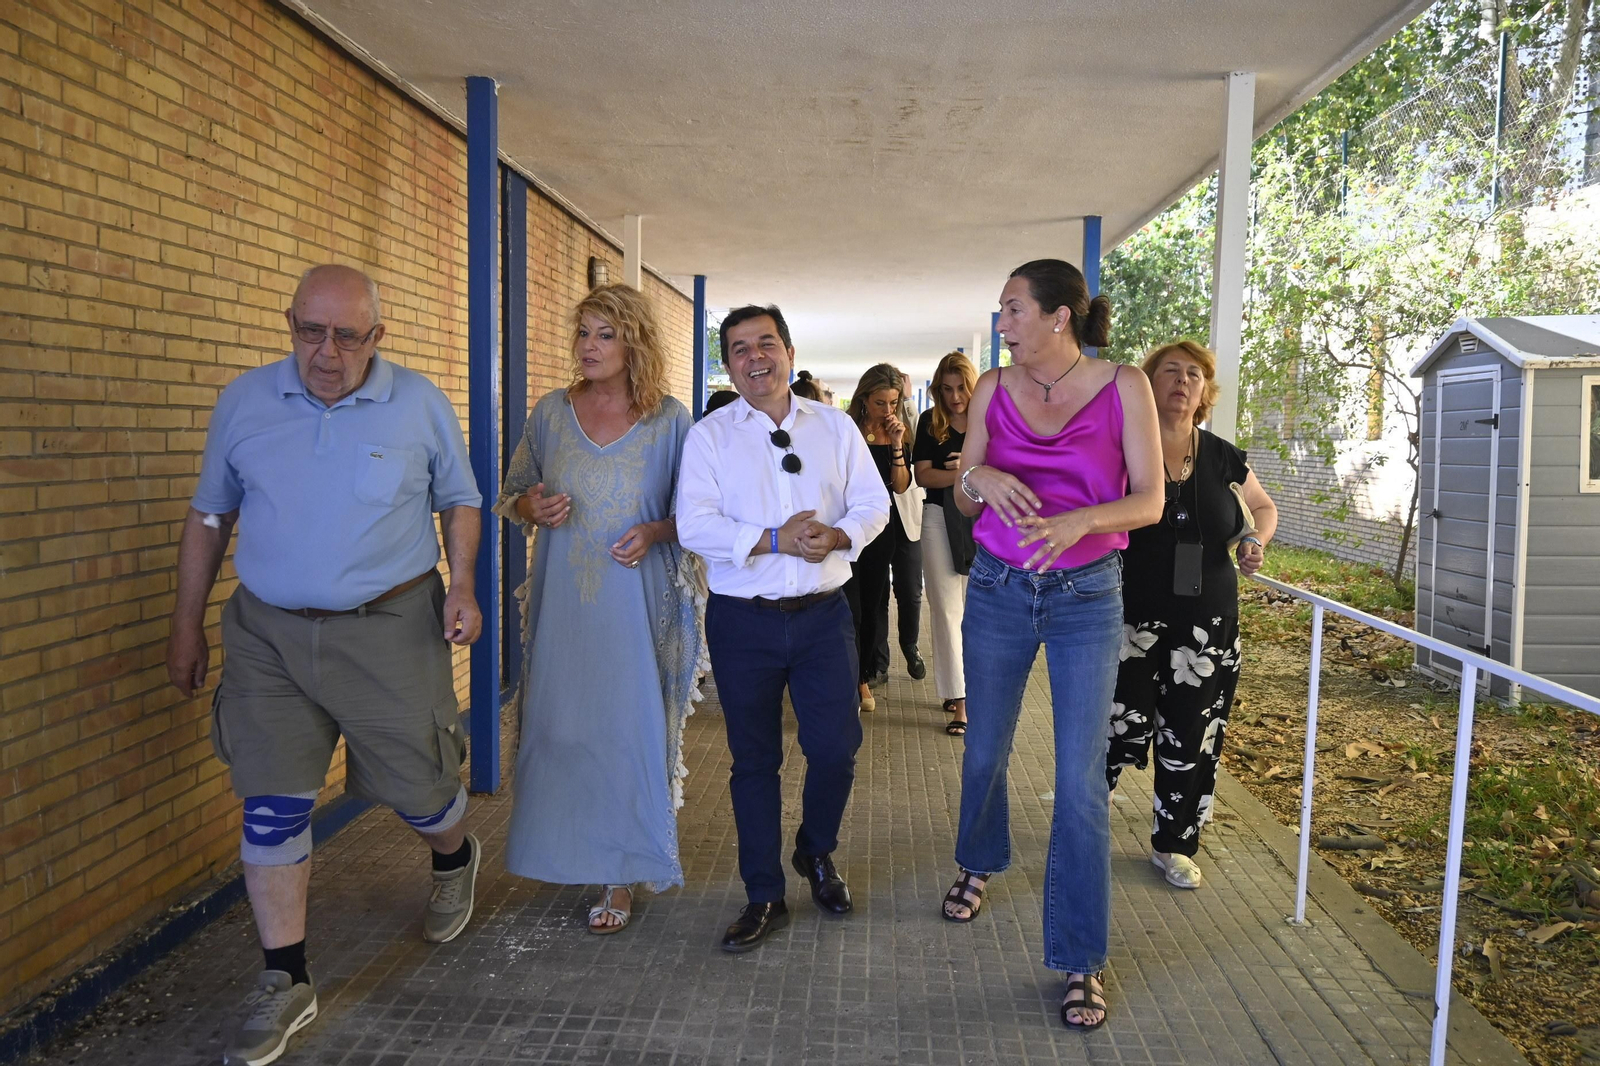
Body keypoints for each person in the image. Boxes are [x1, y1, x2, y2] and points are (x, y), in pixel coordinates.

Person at [166, 264, 484, 1066]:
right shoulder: (245, 402)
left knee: (422, 791)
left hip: (389, 626)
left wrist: (466, 588)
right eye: (310, 331)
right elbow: (211, 514)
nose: (327, 351)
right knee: (270, 801)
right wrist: (187, 623)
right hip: (268, 633)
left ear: (379, 335)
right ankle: (286, 978)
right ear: (290, 325)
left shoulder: (418, 404)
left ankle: (454, 854)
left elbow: (462, 499)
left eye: (347, 335)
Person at [940, 259, 1162, 1032]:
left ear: (1057, 317)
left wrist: (1082, 522)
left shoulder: (1125, 386)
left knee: (1079, 784)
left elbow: (1151, 498)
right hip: (1000, 588)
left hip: (1086, 598)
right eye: (1000, 311)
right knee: (983, 752)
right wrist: (983, 480)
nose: (1002, 323)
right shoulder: (996, 390)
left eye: (1012, 310)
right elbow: (965, 478)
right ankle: (980, 859)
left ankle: (1079, 959)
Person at [676, 304, 890, 953]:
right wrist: (772, 539)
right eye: (739, 348)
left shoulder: (834, 427)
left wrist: (839, 535)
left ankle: (814, 851)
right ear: (730, 365)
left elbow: (874, 504)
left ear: (789, 354)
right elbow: (694, 526)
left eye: (765, 343)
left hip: (825, 616)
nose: (755, 357)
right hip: (744, 622)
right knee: (755, 762)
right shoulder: (710, 437)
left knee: (835, 747)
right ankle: (763, 891)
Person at [494, 284, 701, 934]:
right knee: (563, 729)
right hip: (565, 607)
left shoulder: (669, 420)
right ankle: (565, 852)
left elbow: (697, 514)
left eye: (604, 334)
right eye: (583, 332)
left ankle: (620, 872)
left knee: (626, 730)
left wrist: (655, 533)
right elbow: (514, 492)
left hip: (636, 607)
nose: (588, 346)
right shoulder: (550, 414)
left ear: (633, 341)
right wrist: (531, 508)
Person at [1106, 340, 1278, 890]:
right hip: (1128, 618)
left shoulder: (1224, 456)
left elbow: (1264, 509)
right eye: (1171, 372)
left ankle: (1173, 845)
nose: (1183, 382)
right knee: (1108, 727)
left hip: (1207, 626)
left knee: (1190, 734)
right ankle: (1083, 823)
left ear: (1205, 391)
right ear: (1147, 383)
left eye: (1195, 375)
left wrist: (1256, 539)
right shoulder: (1119, 446)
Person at [842, 364, 922, 712]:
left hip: (881, 528)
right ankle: (849, 678)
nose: (888, 411)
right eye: (880, 403)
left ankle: (863, 676)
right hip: (846, 526)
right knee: (849, 607)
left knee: (874, 605)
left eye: (893, 402)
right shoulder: (848, 430)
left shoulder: (897, 433)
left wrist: (898, 444)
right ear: (864, 399)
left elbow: (901, 486)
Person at [912, 351, 978, 735]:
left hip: (984, 520)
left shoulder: (991, 420)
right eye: (948, 389)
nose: (955, 397)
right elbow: (923, 477)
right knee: (946, 610)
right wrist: (959, 475)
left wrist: (963, 471)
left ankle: (976, 689)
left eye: (962, 388)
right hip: (938, 519)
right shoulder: (930, 422)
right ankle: (960, 700)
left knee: (979, 611)